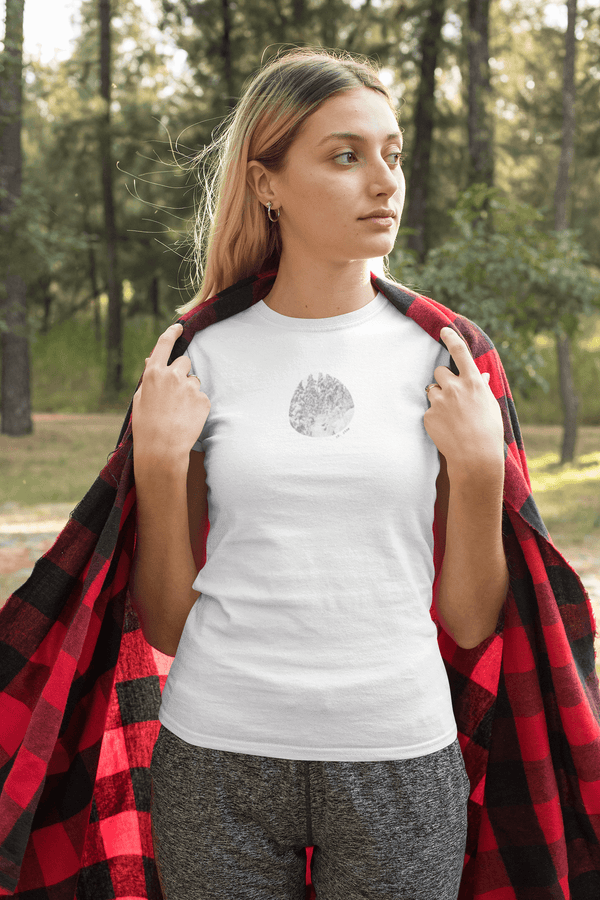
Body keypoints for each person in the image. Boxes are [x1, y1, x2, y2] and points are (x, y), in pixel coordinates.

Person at [129, 47, 510, 900]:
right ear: (267, 183)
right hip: (217, 754)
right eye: (346, 156)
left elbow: (472, 619)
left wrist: (480, 465)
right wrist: (158, 465)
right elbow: (163, 623)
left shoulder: (448, 356)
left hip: (399, 751)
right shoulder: (199, 355)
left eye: (393, 153)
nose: (384, 182)